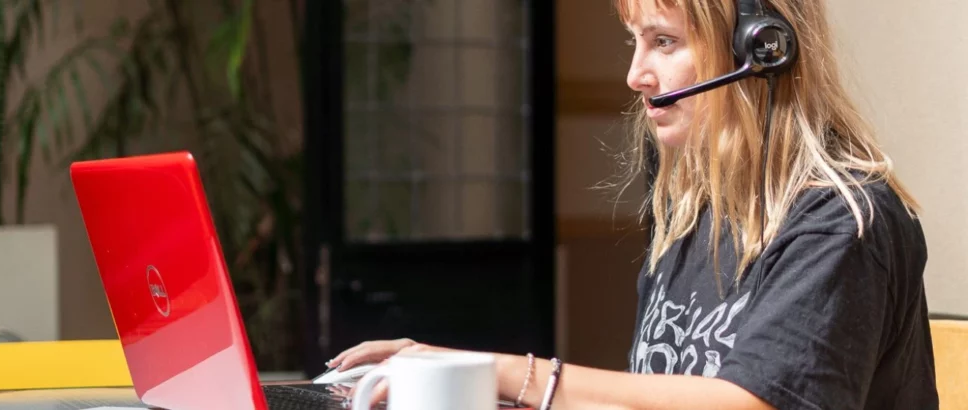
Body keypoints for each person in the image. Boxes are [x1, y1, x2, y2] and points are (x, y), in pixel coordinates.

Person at [326, 0, 939, 408]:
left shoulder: (844, 222)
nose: (635, 74)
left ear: (764, 49)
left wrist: (494, 372)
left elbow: (752, 403)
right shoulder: (693, 210)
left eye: (664, 42)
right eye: (634, 42)